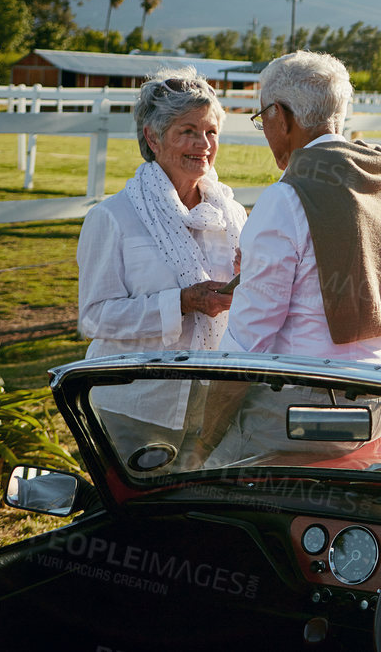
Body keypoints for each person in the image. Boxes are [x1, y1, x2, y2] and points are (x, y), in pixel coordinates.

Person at [196, 51, 381, 464]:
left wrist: (202, 442)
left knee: (195, 495)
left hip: (303, 415)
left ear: (281, 116)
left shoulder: (286, 198)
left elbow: (247, 346)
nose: (266, 130)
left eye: (263, 119)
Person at [76, 69, 244, 468]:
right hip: (137, 404)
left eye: (211, 131)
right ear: (153, 137)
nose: (203, 144)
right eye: (188, 131)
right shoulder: (113, 217)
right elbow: (95, 318)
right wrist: (183, 302)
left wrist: (251, 276)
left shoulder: (232, 216)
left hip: (215, 402)